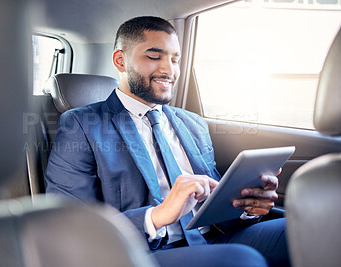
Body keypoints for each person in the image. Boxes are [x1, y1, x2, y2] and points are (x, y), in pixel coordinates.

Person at [45, 16, 290, 267]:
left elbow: (214, 208)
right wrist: (156, 216)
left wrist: (245, 208)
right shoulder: (82, 124)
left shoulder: (193, 124)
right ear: (121, 61)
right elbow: (70, 225)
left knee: (315, 227)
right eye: (154, 57)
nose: (169, 70)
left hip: (215, 238)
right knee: (240, 259)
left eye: (175, 59)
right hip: (140, 254)